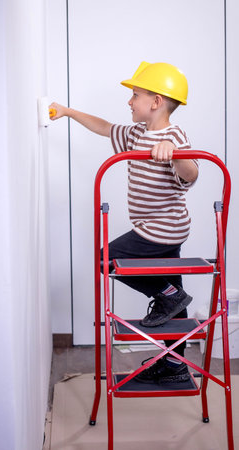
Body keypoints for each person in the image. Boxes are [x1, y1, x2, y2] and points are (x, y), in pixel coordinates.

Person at [50, 61, 199, 383]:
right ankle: (175, 364)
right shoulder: (135, 133)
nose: (129, 102)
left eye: (135, 95)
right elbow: (104, 127)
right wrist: (68, 111)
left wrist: (174, 152)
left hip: (163, 227)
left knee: (107, 258)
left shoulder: (173, 136)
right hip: (158, 229)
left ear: (156, 101)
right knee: (174, 299)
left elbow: (192, 173)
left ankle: (169, 294)